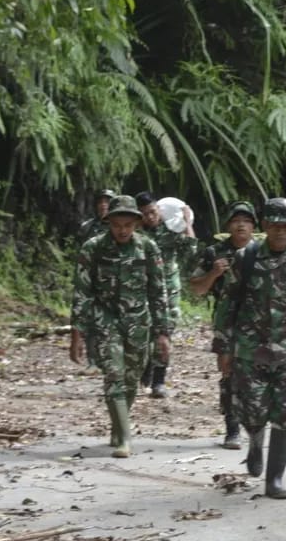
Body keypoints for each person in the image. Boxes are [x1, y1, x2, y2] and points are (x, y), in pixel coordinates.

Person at [213, 198, 286, 498]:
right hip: (251, 350)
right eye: (275, 225)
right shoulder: (246, 257)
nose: (281, 231)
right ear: (264, 226)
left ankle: (274, 479)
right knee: (252, 412)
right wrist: (223, 348)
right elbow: (227, 305)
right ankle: (254, 443)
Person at [68, 195, 170, 458]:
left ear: (136, 223)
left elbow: (158, 292)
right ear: (108, 223)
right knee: (114, 375)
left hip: (138, 322)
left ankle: (118, 425)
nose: (122, 230)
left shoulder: (148, 248)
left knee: (131, 379)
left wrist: (162, 333)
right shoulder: (93, 248)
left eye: (128, 224)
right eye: (117, 224)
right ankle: (125, 437)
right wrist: (77, 334)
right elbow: (82, 292)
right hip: (106, 319)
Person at [188, 201, 257, 450]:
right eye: (236, 220)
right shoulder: (214, 252)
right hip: (226, 319)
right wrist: (213, 274)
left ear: (253, 226)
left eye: (247, 221)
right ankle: (232, 427)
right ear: (228, 225)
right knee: (228, 372)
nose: (241, 225)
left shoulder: (262, 251)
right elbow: (196, 288)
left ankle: (254, 423)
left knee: (253, 374)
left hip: (259, 322)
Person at [136, 192, 197, 398]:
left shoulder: (170, 230)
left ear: (159, 209)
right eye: (145, 214)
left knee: (165, 332)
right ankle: (145, 372)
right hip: (143, 289)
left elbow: (191, 249)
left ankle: (159, 381)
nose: (150, 217)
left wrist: (188, 222)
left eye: (152, 212)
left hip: (168, 288)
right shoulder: (137, 234)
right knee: (143, 332)